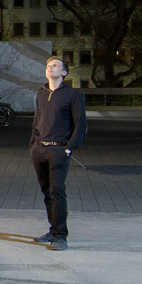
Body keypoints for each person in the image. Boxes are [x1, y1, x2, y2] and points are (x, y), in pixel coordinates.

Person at [29, 53, 86, 250]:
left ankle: (61, 236)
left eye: (55, 66)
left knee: (57, 192)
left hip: (59, 150)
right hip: (40, 149)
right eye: (48, 65)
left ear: (64, 72)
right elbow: (37, 121)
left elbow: (80, 125)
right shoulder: (41, 93)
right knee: (47, 192)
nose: (50, 68)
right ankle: (52, 230)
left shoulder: (72, 95)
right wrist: (33, 145)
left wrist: (69, 148)